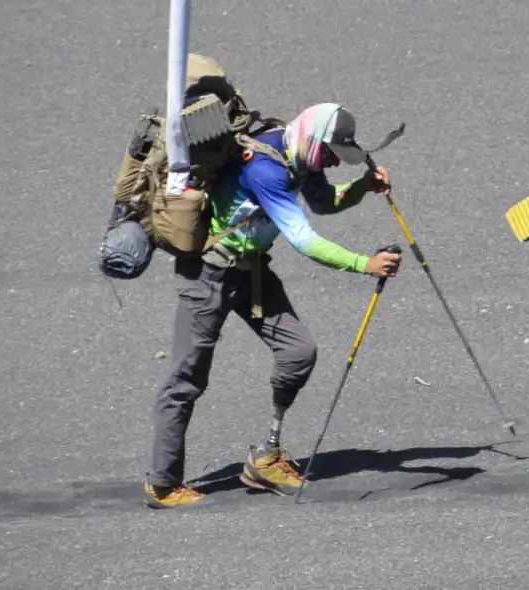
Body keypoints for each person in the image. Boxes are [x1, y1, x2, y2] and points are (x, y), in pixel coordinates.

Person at [144, 102, 403, 509]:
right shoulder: (266, 170)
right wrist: (364, 264)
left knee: (298, 352)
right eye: (332, 154)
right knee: (185, 380)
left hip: (252, 273)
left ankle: (265, 458)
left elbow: (323, 202)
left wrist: (361, 187)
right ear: (313, 141)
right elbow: (304, 240)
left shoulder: (301, 159)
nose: (335, 163)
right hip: (208, 277)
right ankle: (162, 484)